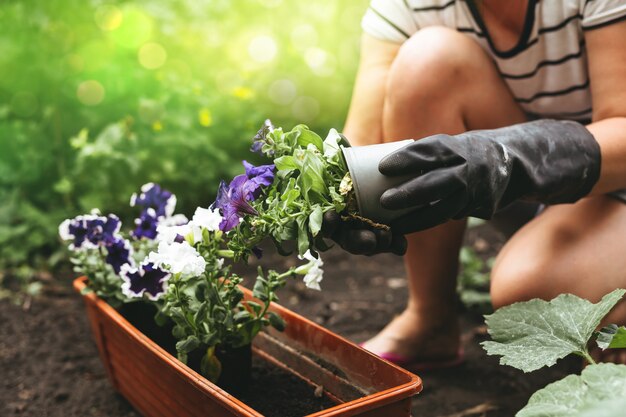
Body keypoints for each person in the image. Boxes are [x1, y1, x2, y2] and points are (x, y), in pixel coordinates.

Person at [327, 0, 626, 368]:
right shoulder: (406, 5)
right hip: (536, 193)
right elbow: (361, 145)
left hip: (616, 176)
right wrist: (334, 202)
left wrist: (515, 156)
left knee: (527, 297)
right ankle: (430, 317)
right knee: (427, 60)